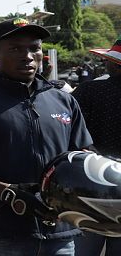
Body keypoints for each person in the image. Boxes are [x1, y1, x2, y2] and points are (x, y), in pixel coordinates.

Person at [0, 18, 93, 255]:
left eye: (34, 48)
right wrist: (6, 192)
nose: (28, 55)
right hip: (1, 234)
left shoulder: (64, 101)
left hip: (61, 234)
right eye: (15, 48)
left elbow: (82, 154)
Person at [71, 36, 121, 256]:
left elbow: (69, 130)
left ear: (115, 65)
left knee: (85, 248)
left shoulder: (89, 90)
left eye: (108, 60)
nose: (105, 64)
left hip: (91, 184)